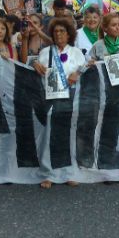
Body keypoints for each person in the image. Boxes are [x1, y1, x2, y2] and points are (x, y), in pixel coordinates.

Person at [33, 18, 86, 189]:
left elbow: (86, 68)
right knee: (50, 134)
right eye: (56, 31)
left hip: (71, 98)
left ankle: (68, 172)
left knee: (68, 135)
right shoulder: (46, 52)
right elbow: (39, 69)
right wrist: (35, 65)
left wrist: (77, 72)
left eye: (62, 31)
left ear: (69, 34)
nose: (58, 34)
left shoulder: (76, 52)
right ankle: (49, 173)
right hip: (51, 98)